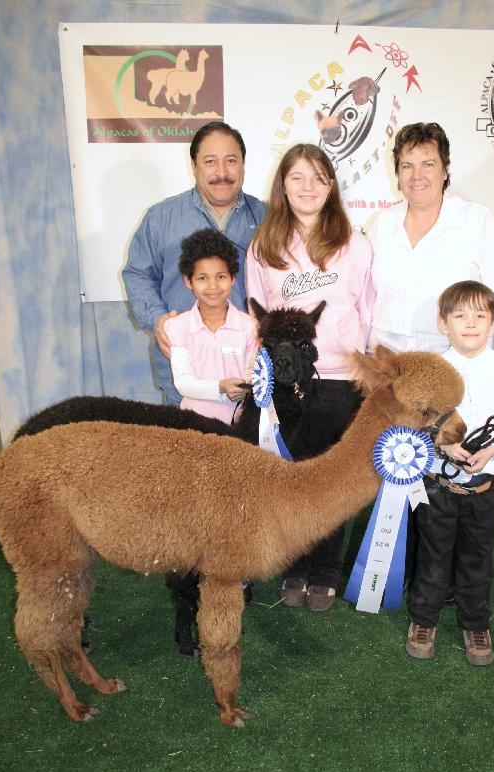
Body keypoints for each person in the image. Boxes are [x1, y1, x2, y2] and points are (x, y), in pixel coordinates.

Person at [245, 143, 375, 612]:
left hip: (340, 381)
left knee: (332, 479)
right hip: (285, 383)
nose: (308, 187)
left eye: (319, 178)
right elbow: (256, 319)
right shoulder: (265, 247)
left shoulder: (354, 244)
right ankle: (295, 565)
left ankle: (324, 571)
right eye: (298, 177)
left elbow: (367, 310)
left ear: (332, 186)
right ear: (283, 185)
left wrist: (368, 375)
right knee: (292, 477)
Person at [406, 280, 494, 666]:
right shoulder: (432, 370)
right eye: (460, 315)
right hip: (438, 487)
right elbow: (414, 423)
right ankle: (423, 620)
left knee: (477, 559)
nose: (471, 323)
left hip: (485, 489)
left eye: (480, 315)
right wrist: (441, 444)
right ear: (443, 323)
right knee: (433, 556)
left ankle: (476, 623)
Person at [122, 121, 266, 405]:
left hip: (250, 378)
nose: (222, 172)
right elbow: (138, 274)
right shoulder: (161, 218)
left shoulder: (268, 219)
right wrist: (157, 319)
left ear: (244, 165)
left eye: (231, 161)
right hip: (186, 381)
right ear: (194, 165)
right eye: (210, 162)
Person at [368, 122, 494, 361]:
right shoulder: (381, 225)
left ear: (445, 170)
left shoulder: (477, 221)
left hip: (453, 371)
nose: (416, 176)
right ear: (398, 175)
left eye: (428, 164)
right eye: (407, 166)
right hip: (383, 370)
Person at [164, 229, 258, 424]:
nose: (213, 286)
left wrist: (246, 389)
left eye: (221, 276)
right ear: (188, 281)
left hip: (239, 425)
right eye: (202, 278)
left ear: (233, 278)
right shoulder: (177, 327)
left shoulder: (250, 327)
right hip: (192, 426)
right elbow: (183, 383)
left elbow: (253, 377)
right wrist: (221, 387)